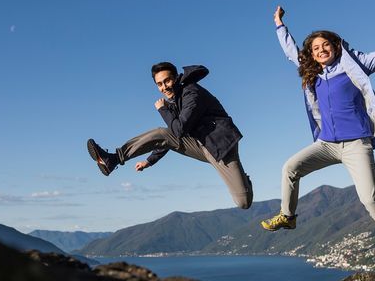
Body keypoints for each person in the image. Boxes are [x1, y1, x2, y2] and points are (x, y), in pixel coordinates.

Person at [261, 0, 375, 270]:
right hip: (326, 144)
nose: (321, 50)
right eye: (315, 48)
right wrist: (279, 25)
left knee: (370, 198)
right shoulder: (313, 75)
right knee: (290, 167)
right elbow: (291, 52)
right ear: (311, 54)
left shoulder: (356, 65)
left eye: (326, 45)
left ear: (336, 46)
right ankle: (288, 216)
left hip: (356, 144)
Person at [87, 62, 253, 209]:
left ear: (176, 77)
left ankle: (244, 181)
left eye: (167, 81)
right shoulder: (176, 100)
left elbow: (178, 130)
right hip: (200, 145)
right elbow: (169, 137)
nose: (164, 87)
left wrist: (163, 109)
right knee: (162, 132)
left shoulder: (191, 94)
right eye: (159, 84)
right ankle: (113, 159)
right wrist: (149, 161)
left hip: (221, 147)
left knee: (243, 203)